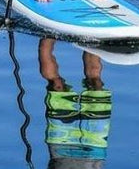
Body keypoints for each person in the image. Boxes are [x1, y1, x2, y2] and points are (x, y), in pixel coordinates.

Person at [39, 38, 112, 169]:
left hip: (61, 147)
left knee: (56, 85)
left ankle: (47, 34)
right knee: (96, 84)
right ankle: (92, 35)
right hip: (94, 150)